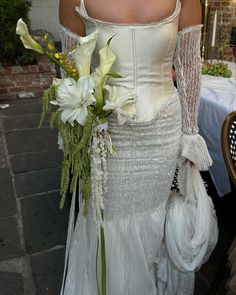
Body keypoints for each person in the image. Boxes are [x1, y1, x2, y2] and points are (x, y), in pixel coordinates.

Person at [58, 0, 218, 294]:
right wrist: (74, 133)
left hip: (161, 133)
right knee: (106, 220)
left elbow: (189, 66)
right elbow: (69, 71)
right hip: (106, 134)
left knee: (153, 216)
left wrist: (190, 135)